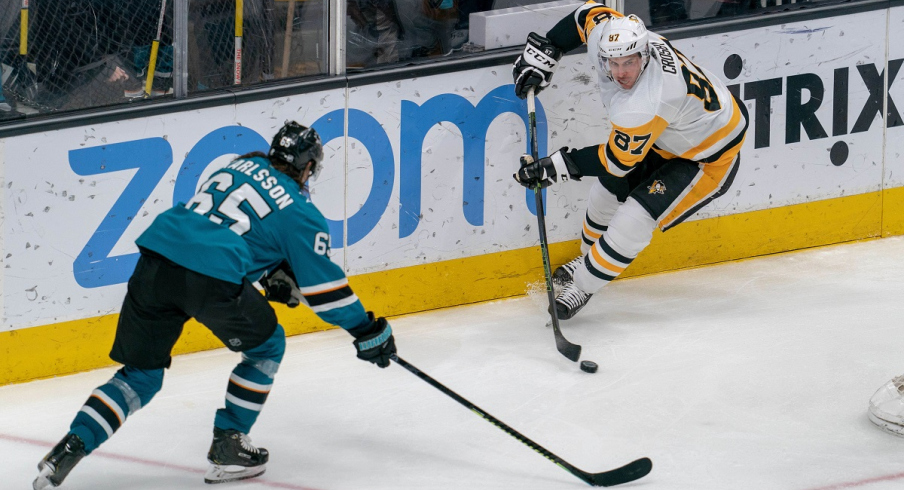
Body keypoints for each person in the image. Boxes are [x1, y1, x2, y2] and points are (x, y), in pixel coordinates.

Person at [33, 121, 398, 489]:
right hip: (211, 278)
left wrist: (270, 270)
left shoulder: (237, 167)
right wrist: (366, 330)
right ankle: (228, 444)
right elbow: (326, 291)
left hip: (155, 262)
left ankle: (70, 446)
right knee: (268, 346)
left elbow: (233, 227)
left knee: (141, 376)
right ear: (307, 167)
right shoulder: (301, 213)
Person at [511, 6, 748, 320]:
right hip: (671, 133)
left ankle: (583, 285)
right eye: (614, 62)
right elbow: (587, 15)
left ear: (645, 55)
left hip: (709, 155)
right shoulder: (612, 39)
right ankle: (585, 260)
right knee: (604, 194)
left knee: (633, 219)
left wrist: (555, 167)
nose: (620, 72)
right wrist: (546, 50)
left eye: (629, 63)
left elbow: (616, 162)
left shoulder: (647, 102)